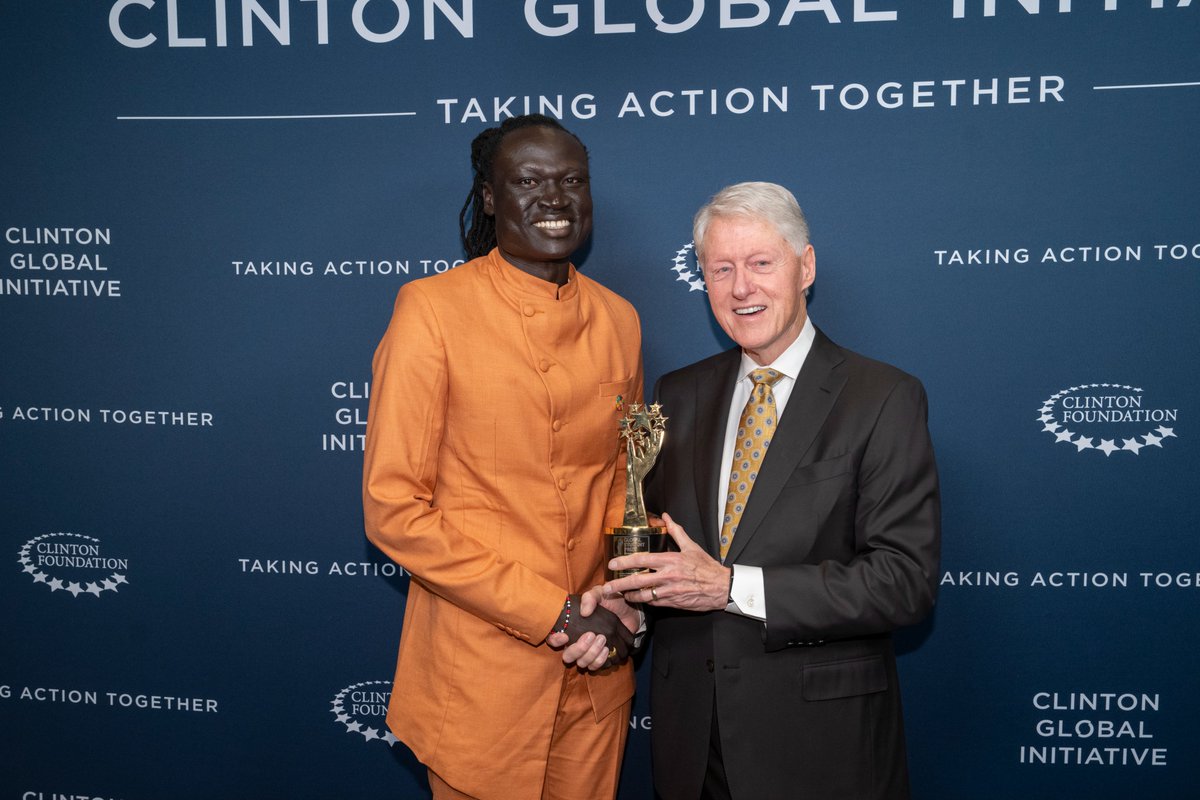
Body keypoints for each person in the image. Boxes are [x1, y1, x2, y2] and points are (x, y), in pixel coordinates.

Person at [599, 181, 941, 798]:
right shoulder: (678, 394)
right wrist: (631, 608)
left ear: (805, 267)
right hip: (691, 745)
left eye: (761, 263)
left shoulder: (883, 397)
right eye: (721, 268)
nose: (740, 288)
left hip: (818, 747)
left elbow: (903, 581)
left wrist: (731, 588)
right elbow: (673, 556)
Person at [362, 114, 642, 800]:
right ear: (489, 198)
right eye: (529, 181)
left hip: (596, 669)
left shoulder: (619, 318)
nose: (555, 197)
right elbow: (394, 510)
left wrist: (626, 605)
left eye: (572, 180)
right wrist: (557, 614)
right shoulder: (430, 309)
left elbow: (623, 483)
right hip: (483, 679)